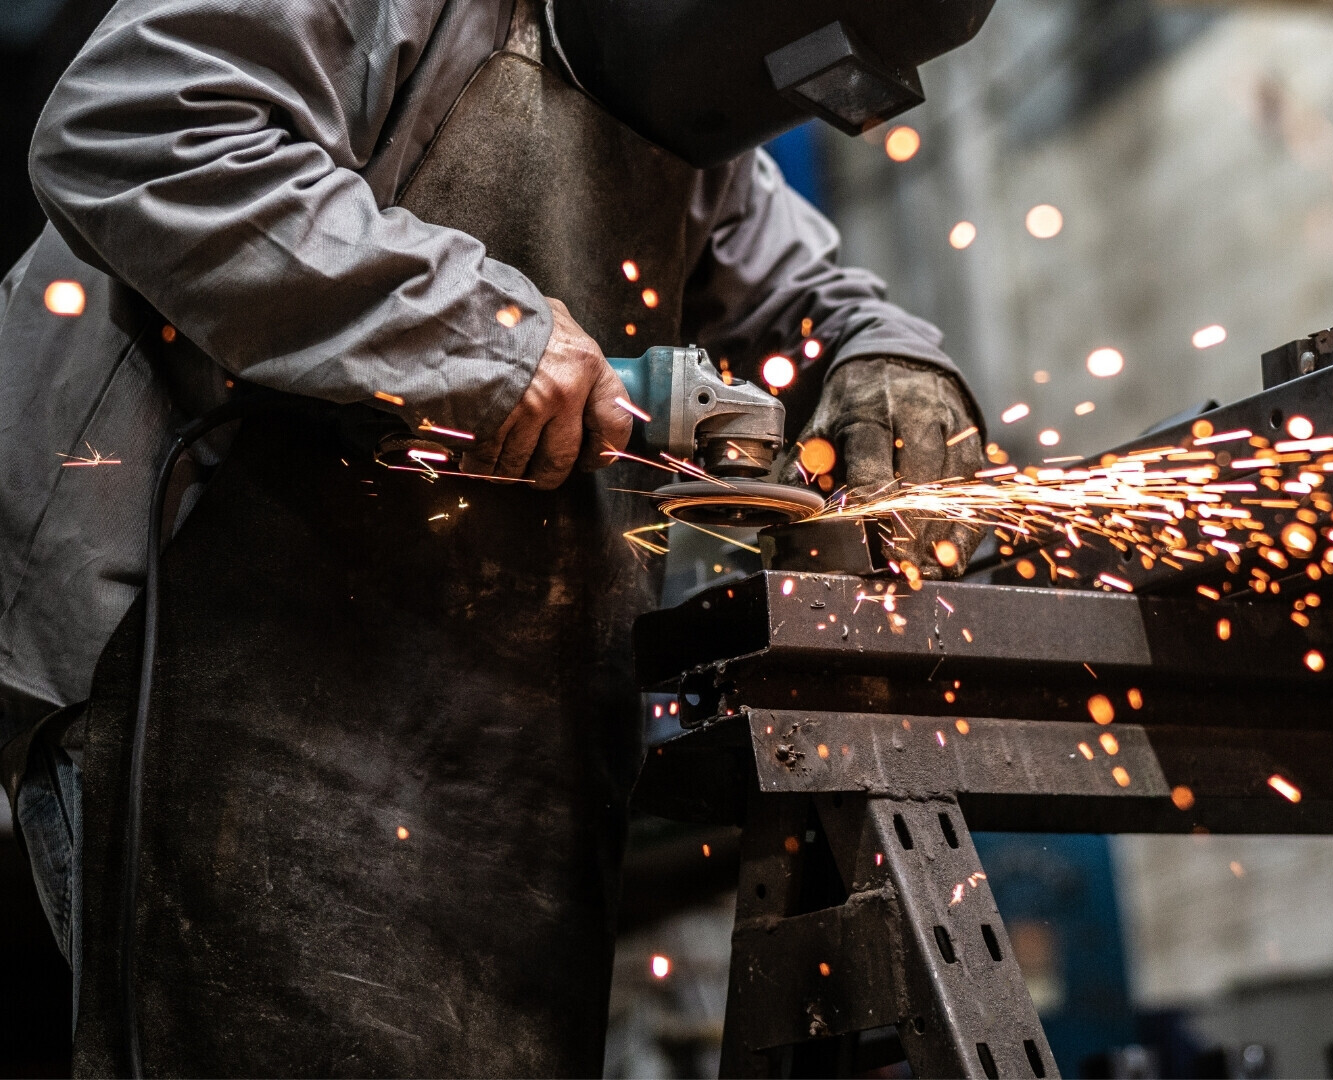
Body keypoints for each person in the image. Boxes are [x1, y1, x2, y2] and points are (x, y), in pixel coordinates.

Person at [0, 0, 989, 1073]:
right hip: (221, 681)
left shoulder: (710, 152)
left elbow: (818, 297)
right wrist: (481, 334)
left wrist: (891, 363)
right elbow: (136, 125)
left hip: (508, 748)